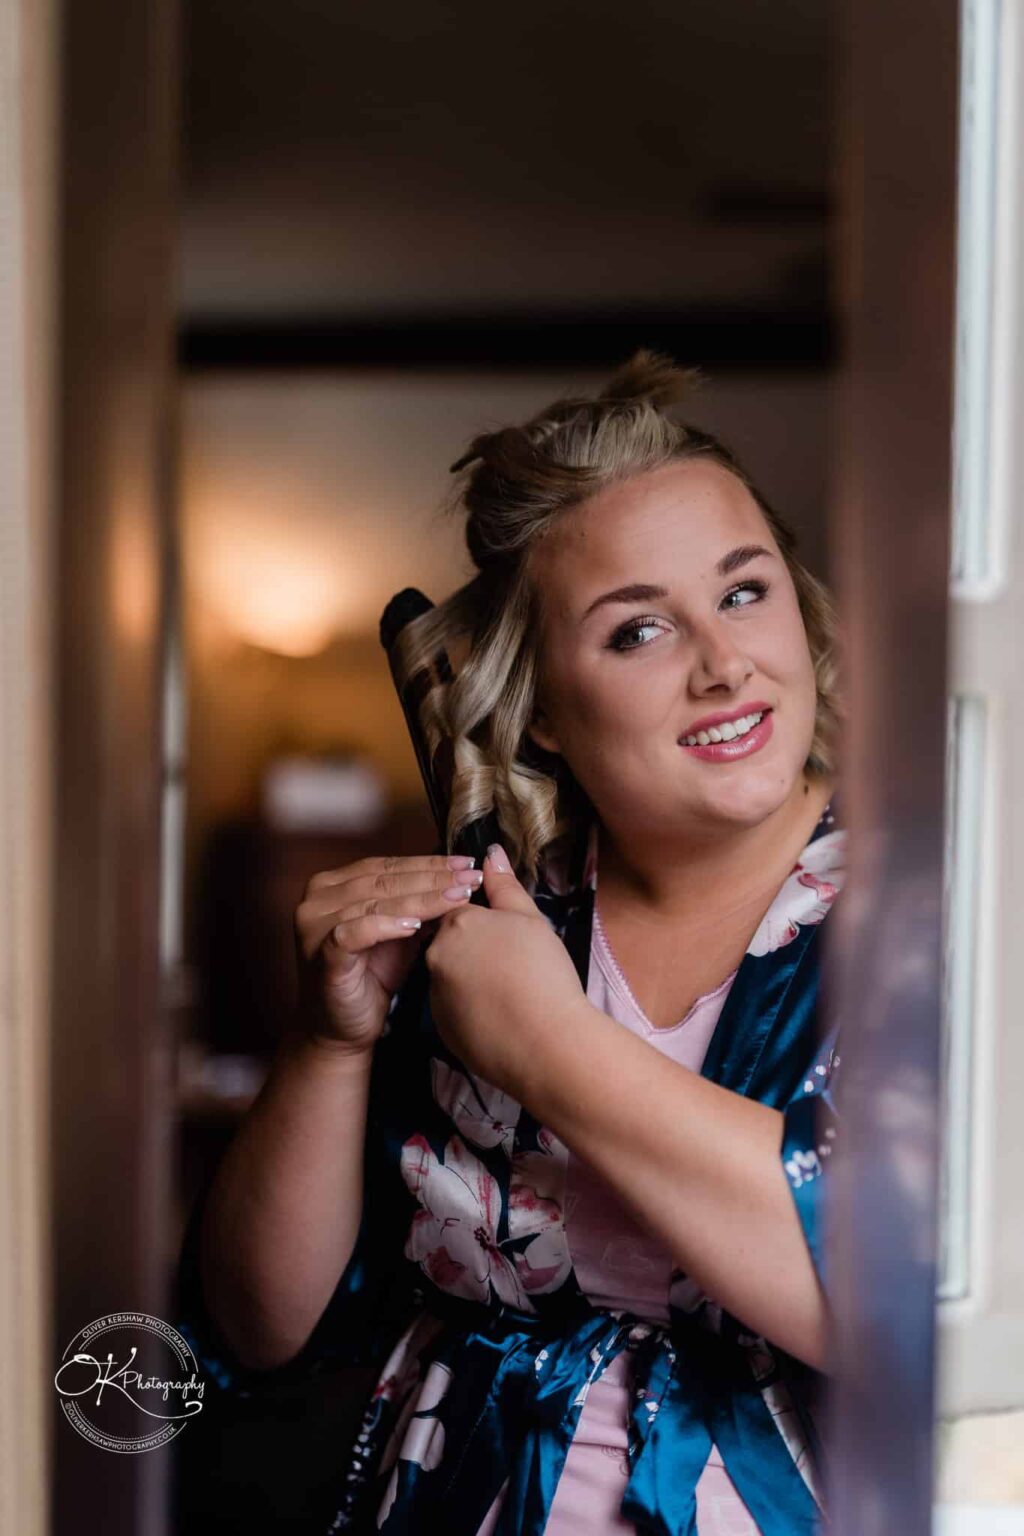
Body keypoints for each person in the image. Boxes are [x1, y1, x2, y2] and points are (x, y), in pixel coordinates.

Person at [174, 350, 848, 1535]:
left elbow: (883, 1302)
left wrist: (546, 1045)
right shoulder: (490, 930)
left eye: (744, 592)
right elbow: (255, 1323)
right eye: (639, 631)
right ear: (538, 701)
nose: (723, 663)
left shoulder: (925, 920)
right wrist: (331, 1047)